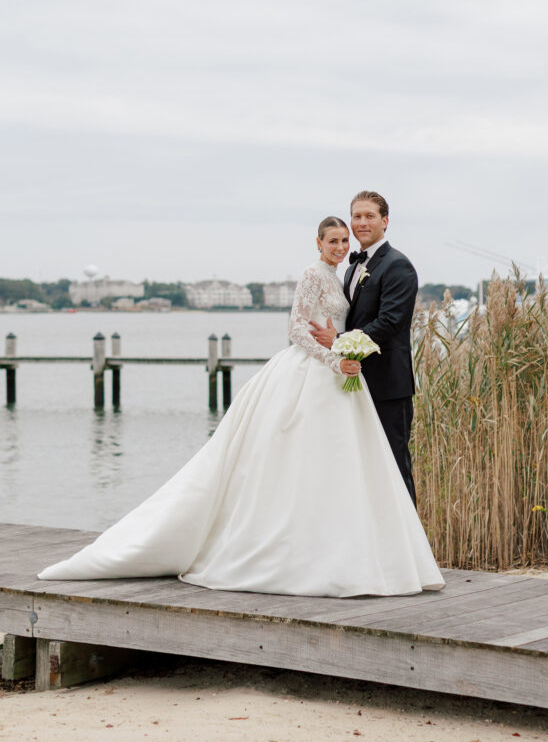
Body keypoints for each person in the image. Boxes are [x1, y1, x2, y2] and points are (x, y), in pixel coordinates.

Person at [38, 216, 444, 598]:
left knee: (337, 467)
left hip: (339, 376)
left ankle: (343, 550)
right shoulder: (311, 274)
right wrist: (335, 357)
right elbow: (295, 330)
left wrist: (340, 346)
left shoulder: (347, 273)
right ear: (318, 243)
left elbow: (353, 323)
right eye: (333, 240)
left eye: (344, 240)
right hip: (313, 373)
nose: (341, 246)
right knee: (292, 463)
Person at [309, 191, 419, 503]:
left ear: (385, 221)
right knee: (362, 468)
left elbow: (389, 322)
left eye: (369, 216)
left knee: (394, 467)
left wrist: (339, 343)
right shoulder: (350, 268)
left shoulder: (398, 266)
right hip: (354, 383)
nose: (362, 222)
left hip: (388, 385)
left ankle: (409, 550)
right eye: (356, 216)